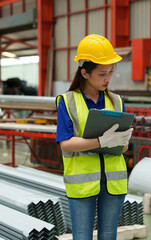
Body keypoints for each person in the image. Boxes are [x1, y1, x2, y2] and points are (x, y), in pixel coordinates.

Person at [56, 34, 133, 240]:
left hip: (113, 181)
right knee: (82, 237)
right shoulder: (68, 101)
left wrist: (122, 141)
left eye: (110, 72)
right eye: (101, 74)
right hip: (82, 182)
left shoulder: (116, 101)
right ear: (85, 73)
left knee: (109, 236)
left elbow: (124, 148)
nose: (107, 78)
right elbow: (66, 144)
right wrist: (100, 142)